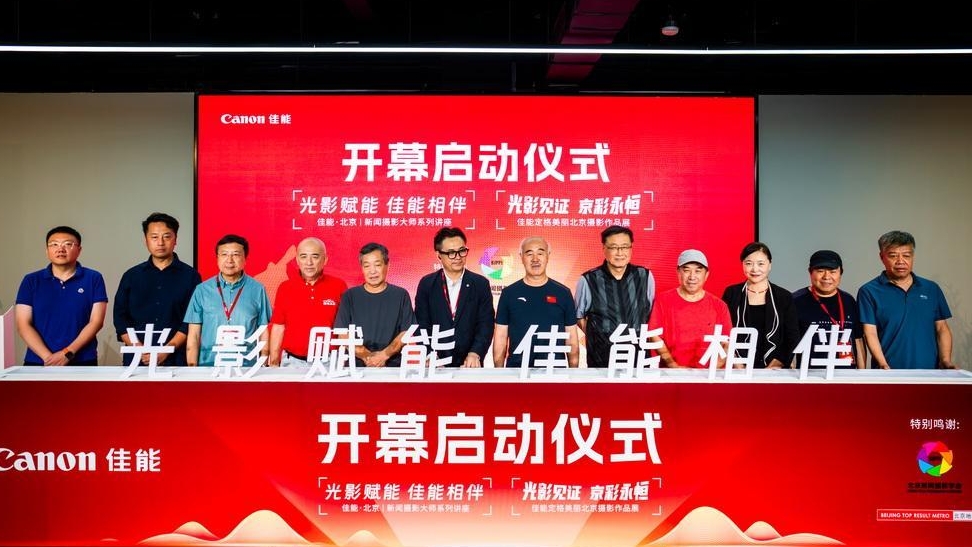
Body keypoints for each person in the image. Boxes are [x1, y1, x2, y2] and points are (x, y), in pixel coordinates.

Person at [114, 213, 202, 366]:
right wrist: (138, 348)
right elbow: (120, 318)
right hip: (137, 359)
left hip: (176, 358)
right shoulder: (131, 276)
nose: (160, 242)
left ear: (175, 239)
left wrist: (166, 350)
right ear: (146, 240)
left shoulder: (190, 276)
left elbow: (191, 320)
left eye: (166, 237)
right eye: (154, 237)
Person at [857, 231, 955, 369]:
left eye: (906, 255)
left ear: (913, 257)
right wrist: (882, 364)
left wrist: (945, 360)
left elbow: (942, 328)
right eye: (893, 256)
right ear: (882, 257)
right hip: (888, 372)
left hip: (930, 371)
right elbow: (870, 333)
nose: (900, 261)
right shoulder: (869, 291)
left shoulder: (931, 288)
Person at [15, 226, 108, 366]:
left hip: (82, 360)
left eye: (68, 244)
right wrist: (49, 358)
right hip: (39, 360)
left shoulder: (93, 278)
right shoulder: (31, 280)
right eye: (54, 244)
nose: (60, 249)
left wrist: (67, 353)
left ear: (79, 250)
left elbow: (96, 322)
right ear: (47, 250)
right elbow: (23, 324)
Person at [184, 234, 272, 367]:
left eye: (236, 254)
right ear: (217, 258)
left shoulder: (258, 289)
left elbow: (263, 330)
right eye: (224, 254)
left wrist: (263, 364)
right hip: (209, 366)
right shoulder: (202, 290)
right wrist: (192, 368)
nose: (230, 260)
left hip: (247, 367)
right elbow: (194, 335)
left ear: (245, 259)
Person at [574, 225, 655, 368]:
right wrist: (597, 336)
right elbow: (579, 316)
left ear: (631, 248)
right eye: (613, 247)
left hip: (638, 357)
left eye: (624, 247)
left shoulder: (644, 276)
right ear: (604, 249)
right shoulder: (588, 279)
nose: (620, 253)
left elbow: (649, 313)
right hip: (601, 358)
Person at [414, 227, 494, 367]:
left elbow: (486, 324)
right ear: (439, 255)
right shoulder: (427, 284)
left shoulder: (480, 284)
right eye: (451, 253)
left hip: (469, 364)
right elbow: (421, 324)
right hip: (435, 364)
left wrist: (475, 353)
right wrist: (429, 354)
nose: (458, 257)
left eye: (462, 251)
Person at [494, 236, 579, 368]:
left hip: (554, 369)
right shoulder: (509, 294)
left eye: (540, 253)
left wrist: (573, 372)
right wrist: (499, 373)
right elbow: (500, 336)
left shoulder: (563, 293)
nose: (535, 259)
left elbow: (571, 338)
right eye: (529, 254)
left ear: (548, 256)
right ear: (521, 257)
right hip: (517, 370)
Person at [268, 237, 347, 366]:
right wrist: (274, 361)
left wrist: (342, 360)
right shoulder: (285, 288)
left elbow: (344, 328)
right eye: (303, 257)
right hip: (293, 362)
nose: (309, 262)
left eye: (315, 257)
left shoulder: (338, 286)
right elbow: (278, 326)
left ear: (325, 259)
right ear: (297, 260)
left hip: (329, 361)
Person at [334, 242, 415, 367]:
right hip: (356, 366)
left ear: (387, 265)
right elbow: (343, 334)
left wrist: (384, 355)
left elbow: (406, 332)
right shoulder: (349, 296)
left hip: (392, 365)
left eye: (377, 265)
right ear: (362, 268)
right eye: (367, 266)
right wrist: (367, 356)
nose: (372, 271)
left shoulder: (401, 295)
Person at [721, 242, 799, 369]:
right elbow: (724, 332)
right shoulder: (732, 293)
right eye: (749, 263)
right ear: (742, 264)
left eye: (760, 264)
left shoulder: (783, 296)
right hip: (737, 368)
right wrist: (736, 363)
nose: (755, 269)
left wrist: (775, 365)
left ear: (770, 265)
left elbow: (792, 336)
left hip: (775, 370)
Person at [648, 249, 732, 368]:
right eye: (686, 270)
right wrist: (673, 366)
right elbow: (654, 335)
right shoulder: (662, 300)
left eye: (698, 271)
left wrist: (711, 371)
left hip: (709, 374)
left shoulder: (719, 306)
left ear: (706, 274)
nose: (692, 276)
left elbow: (727, 343)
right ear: (678, 272)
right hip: (671, 373)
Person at [792, 250, 866, 368]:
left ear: (840, 273)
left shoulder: (848, 300)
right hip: (810, 375)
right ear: (810, 272)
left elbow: (858, 339)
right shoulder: (796, 301)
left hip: (847, 374)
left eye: (833, 271)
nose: (827, 277)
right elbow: (788, 343)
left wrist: (862, 374)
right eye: (820, 271)